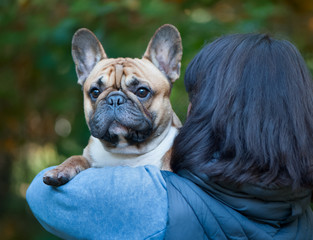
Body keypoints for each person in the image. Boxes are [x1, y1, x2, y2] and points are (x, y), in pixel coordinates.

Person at [26, 33, 313, 240]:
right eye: (98, 93)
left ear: (210, 111)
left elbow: (41, 193)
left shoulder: (156, 199)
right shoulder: (301, 210)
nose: (114, 102)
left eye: (141, 92)